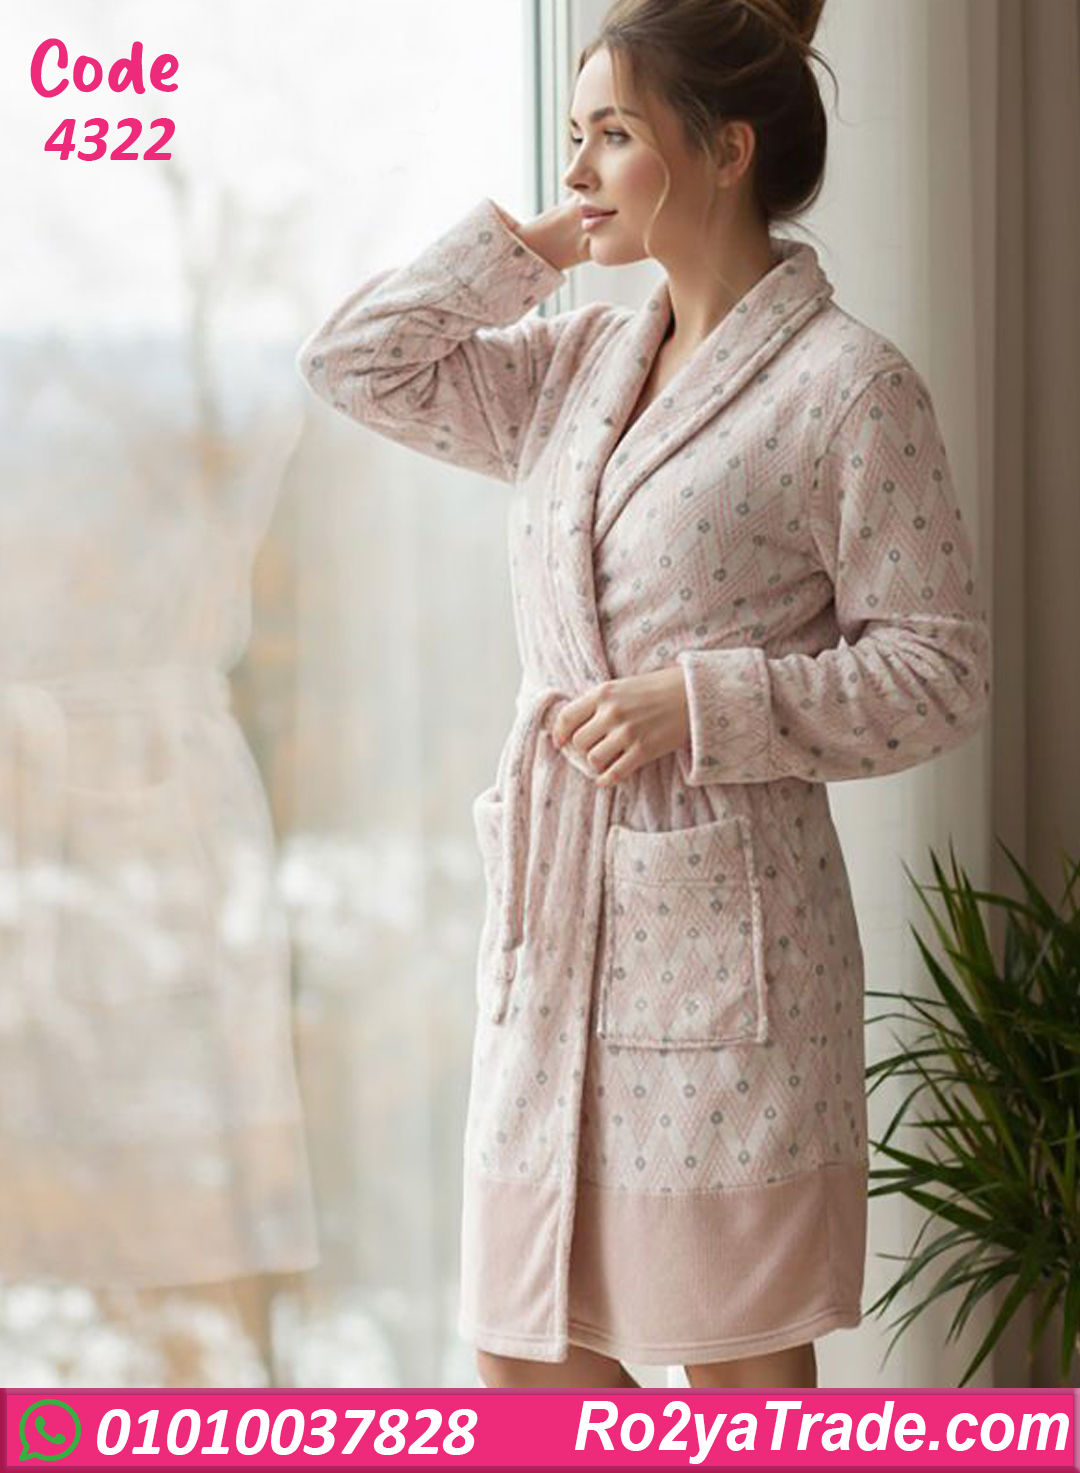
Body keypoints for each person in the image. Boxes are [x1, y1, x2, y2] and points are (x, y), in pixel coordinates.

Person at [297, 0, 991, 1391]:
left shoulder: (848, 388)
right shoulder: (574, 368)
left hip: (726, 951)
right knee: (525, 1361)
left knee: (735, 1377)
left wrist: (703, 704)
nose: (578, 169)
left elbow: (940, 671)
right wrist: (532, 249)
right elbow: (353, 362)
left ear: (726, 149)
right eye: (576, 134)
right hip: (554, 942)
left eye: (612, 135)